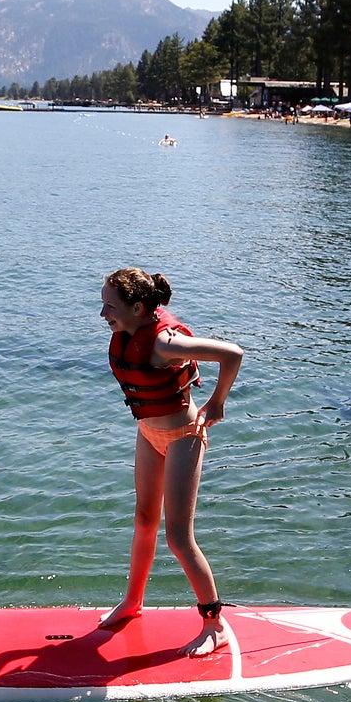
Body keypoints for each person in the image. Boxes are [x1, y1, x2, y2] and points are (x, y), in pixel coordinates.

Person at [97, 268, 245, 656]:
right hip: (148, 433)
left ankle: (215, 624)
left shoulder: (164, 343)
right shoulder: (130, 333)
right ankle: (132, 602)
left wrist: (216, 403)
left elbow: (232, 354)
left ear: (139, 307)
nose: (103, 314)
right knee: (144, 519)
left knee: (178, 537)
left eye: (110, 306)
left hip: (184, 437)